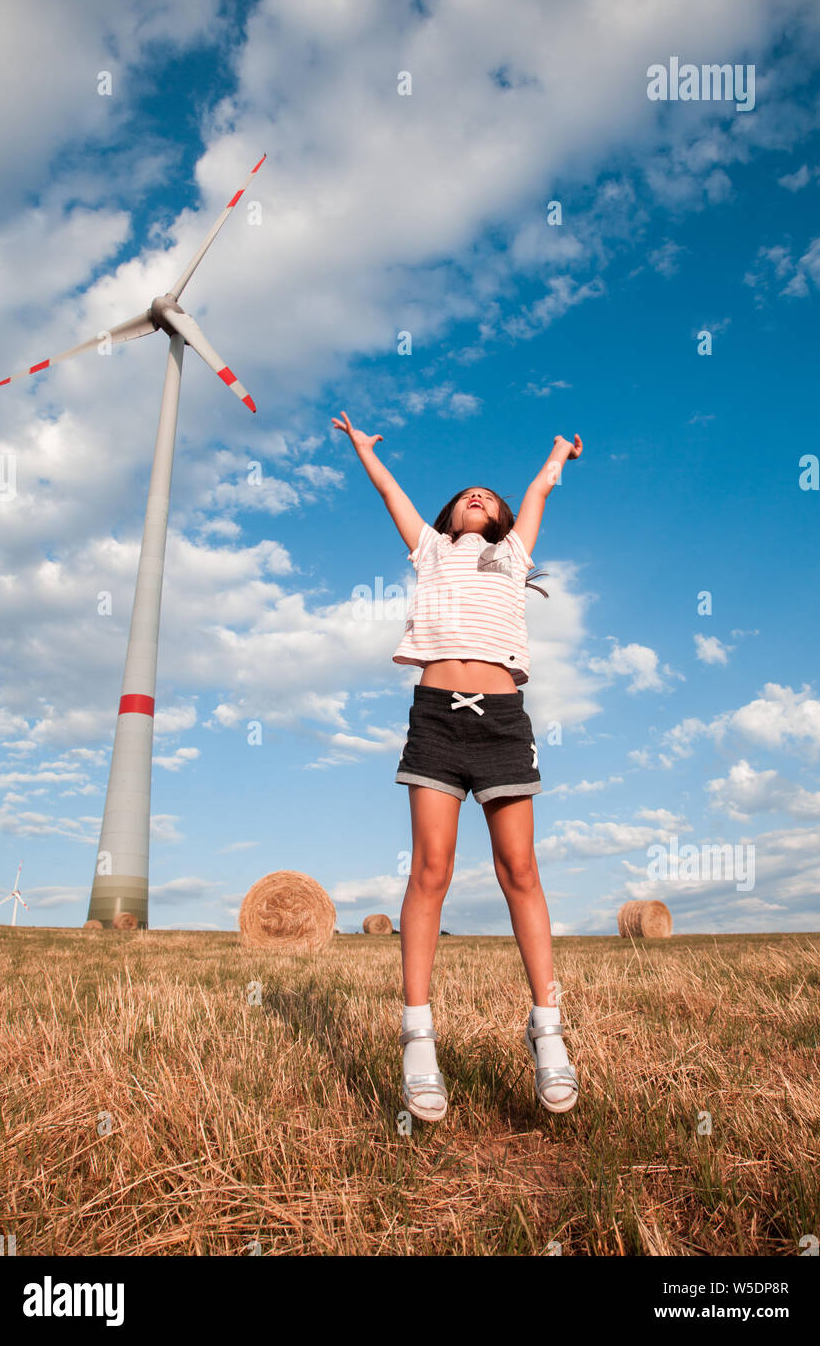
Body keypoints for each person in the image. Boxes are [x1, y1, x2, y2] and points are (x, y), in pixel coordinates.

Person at [331, 409, 583, 1122]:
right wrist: (363, 450)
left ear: (502, 520)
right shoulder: (431, 549)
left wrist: (558, 451)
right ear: (448, 515)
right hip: (436, 714)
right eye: (467, 493)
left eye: (489, 496)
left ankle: (548, 1032)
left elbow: (538, 491)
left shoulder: (512, 556)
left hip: (502, 721)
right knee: (431, 870)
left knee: (520, 870)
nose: (480, 495)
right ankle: (418, 1039)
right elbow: (389, 496)